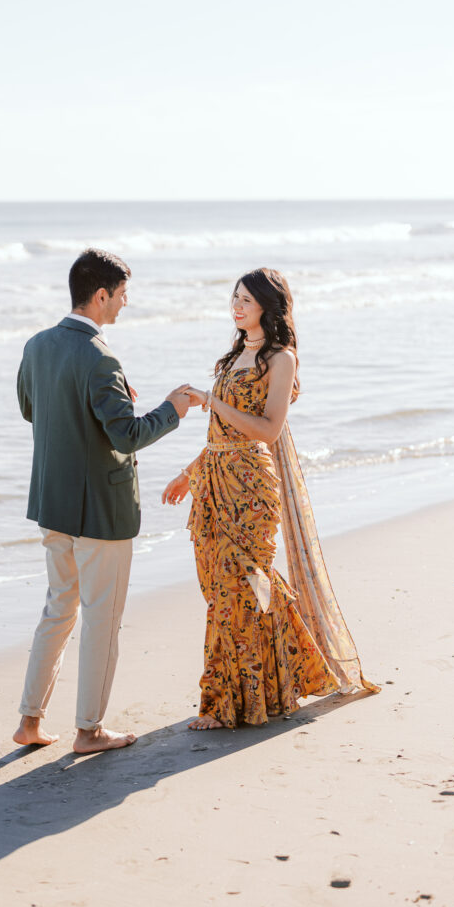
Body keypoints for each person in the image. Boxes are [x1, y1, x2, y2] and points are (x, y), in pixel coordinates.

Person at [163, 268, 378, 729]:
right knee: (220, 589)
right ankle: (276, 683)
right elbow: (219, 433)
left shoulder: (282, 359)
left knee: (239, 587)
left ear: (267, 305)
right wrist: (189, 473)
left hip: (252, 486)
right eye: (234, 299)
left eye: (246, 300)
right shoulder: (233, 355)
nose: (236, 307)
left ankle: (225, 704)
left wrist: (210, 399)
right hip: (214, 481)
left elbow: (267, 429)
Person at [14, 248, 190, 753]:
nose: (125, 303)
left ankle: (29, 721)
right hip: (100, 515)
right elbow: (128, 436)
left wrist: (100, 402)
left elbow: (33, 409)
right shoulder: (100, 356)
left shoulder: (36, 345)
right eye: (121, 295)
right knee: (100, 621)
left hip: (53, 504)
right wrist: (172, 408)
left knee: (57, 611)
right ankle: (88, 731)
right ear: (100, 295)